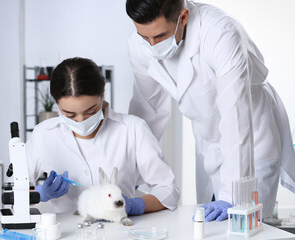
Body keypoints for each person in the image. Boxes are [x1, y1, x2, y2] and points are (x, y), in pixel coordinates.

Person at [126, 0, 295, 221]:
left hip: (252, 133)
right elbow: (148, 110)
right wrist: (132, 168)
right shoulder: (138, 46)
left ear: (183, 18)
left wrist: (231, 196)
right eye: (144, 37)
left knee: (245, 224)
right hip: (207, 137)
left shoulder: (220, 33)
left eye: (159, 37)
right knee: (207, 225)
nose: (151, 45)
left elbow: (235, 114)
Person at [26, 57, 180, 215]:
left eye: (91, 111)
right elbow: (13, 193)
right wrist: (41, 194)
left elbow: (168, 191)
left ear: (103, 93)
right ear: (57, 104)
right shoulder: (43, 134)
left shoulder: (133, 129)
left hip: (120, 229)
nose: (80, 121)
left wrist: (134, 205)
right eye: (70, 115)